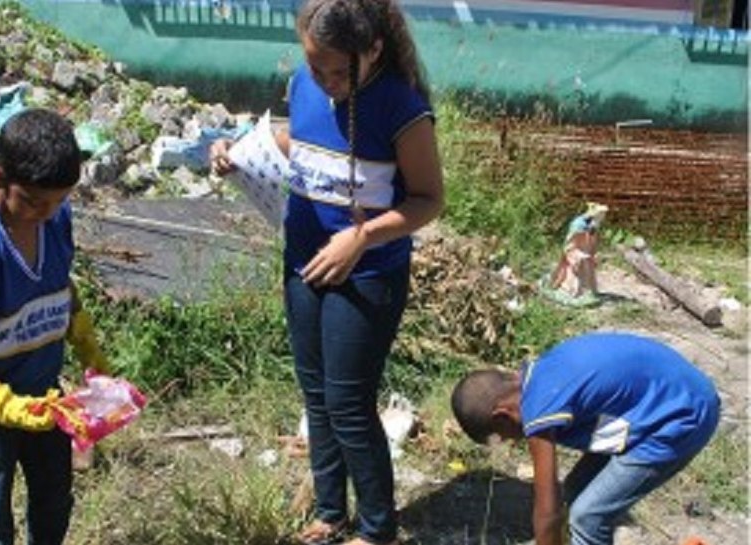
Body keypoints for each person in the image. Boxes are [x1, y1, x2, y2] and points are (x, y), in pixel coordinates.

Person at [211, 1, 444, 543]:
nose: (329, 82)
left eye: (342, 71)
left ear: (374, 50)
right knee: (315, 395)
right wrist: (237, 152)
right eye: (318, 69)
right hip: (302, 260)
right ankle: (329, 512)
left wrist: (361, 237)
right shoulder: (305, 83)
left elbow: (429, 200)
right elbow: (306, 141)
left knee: (348, 401)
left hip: (368, 274)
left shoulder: (402, 108)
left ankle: (377, 526)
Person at [0, 108, 110, 545]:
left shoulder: (55, 218)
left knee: (54, 496)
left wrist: (82, 332)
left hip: (43, 395)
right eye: (34, 201)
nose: (46, 213)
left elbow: (58, 281)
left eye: (58, 201)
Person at [450, 332, 721, 545]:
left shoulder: (537, 407)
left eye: (504, 438)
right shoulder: (541, 375)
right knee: (574, 492)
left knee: (588, 515)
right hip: (663, 400)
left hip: (680, 417)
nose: (513, 442)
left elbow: (547, 511)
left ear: (502, 416)